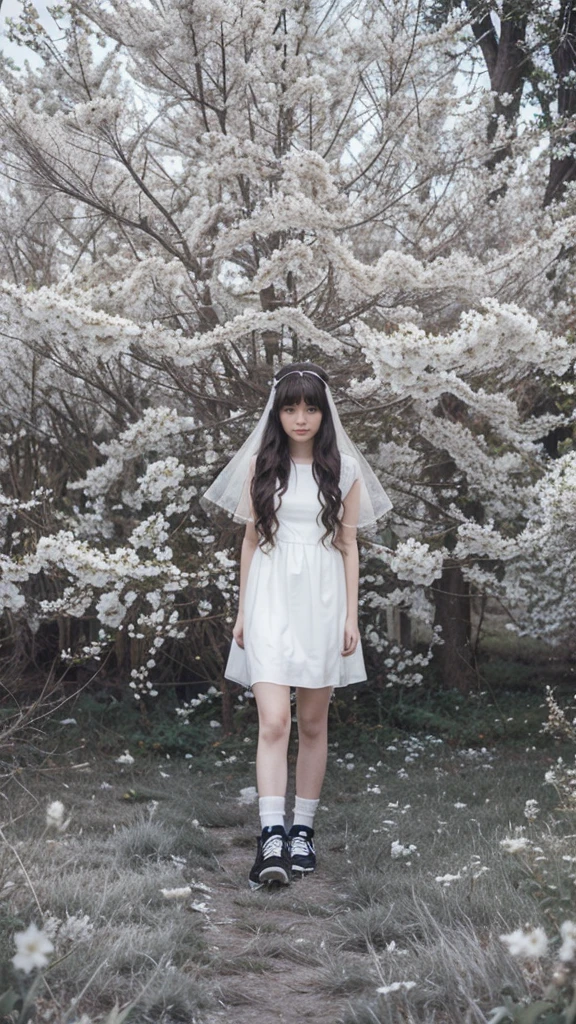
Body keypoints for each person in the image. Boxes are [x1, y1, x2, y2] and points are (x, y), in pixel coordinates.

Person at [200, 361, 392, 889]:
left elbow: (350, 545)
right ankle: (270, 839)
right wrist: (242, 610)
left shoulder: (344, 469)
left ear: (323, 411)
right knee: (273, 723)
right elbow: (248, 541)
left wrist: (351, 615)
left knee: (311, 723)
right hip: (269, 597)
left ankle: (302, 830)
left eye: (310, 407)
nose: (300, 417)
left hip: (324, 600)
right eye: (290, 407)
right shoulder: (261, 465)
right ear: (277, 412)